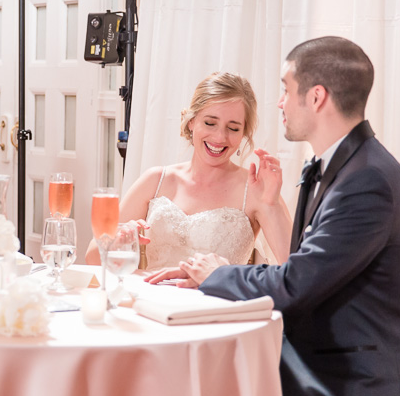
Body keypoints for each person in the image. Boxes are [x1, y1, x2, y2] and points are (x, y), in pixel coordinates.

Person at [148, 37, 400, 396]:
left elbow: (295, 282)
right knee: (183, 389)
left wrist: (215, 274)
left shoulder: (366, 180)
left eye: (285, 88)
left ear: (316, 97)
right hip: (327, 371)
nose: (279, 102)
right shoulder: (344, 167)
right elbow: (307, 268)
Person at [86, 72, 292, 269]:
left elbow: (298, 271)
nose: (220, 137)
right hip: (153, 302)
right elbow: (93, 257)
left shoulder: (255, 189)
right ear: (192, 121)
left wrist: (271, 203)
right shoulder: (155, 180)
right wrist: (121, 238)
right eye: (210, 122)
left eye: (233, 128)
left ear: (244, 133)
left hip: (217, 304)